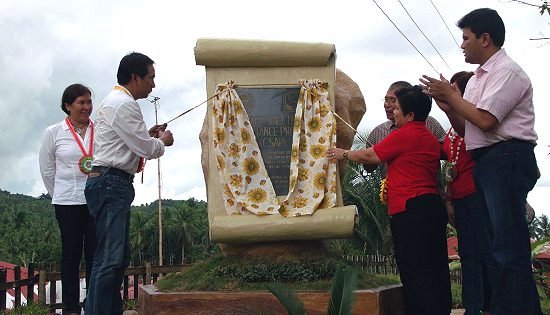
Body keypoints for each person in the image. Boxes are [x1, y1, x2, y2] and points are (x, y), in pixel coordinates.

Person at [421, 8, 542, 314]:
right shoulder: (476, 80)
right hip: (488, 162)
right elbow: (467, 128)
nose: (462, 45)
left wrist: (452, 93)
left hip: (507, 157)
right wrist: (449, 106)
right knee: (497, 246)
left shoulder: (507, 73)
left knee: (506, 246)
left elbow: (486, 120)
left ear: (485, 39)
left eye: (466, 38)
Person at [328, 85, 451, 314]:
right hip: (432, 206)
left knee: (413, 266)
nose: (393, 111)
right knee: (435, 264)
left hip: (411, 208)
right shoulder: (428, 135)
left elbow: (370, 155)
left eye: (398, 107)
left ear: (410, 115)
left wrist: (342, 153)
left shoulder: (405, 134)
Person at [84, 52, 174, 315]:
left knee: (115, 259)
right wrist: (162, 141)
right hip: (112, 183)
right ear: (135, 77)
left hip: (108, 182)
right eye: (150, 78)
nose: (153, 85)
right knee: (110, 259)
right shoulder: (125, 104)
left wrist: (146, 135)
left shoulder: (115, 102)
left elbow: (125, 142)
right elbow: (145, 149)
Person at [441, 71, 497, 315]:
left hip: (479, 195)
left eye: (454, 89)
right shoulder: (452, 130)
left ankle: (495, 305)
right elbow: (449, 162)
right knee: (468, 254)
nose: (449, 93)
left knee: (487, 252)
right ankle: (472, 307)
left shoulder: (472, 121)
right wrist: (449, 199)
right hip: (459, 197)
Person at [39, 84, 97, 315]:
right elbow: (47, 169)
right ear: (67, 106)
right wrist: (61, 195)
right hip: (67, 203)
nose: (86, 107)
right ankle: (70, 308)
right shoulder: (53, 132)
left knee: (95, 253)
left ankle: (93, 304)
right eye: (81, 102)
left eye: (89, 102)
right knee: (71, 254)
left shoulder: (100, 129)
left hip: (95, 200)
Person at [364, 81, 446, 175]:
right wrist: (379, 153)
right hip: (392, 189)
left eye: (393, 100)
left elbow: (448, 153)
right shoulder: (377, 132)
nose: (387, 105)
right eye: (386, 100)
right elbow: (368, 167)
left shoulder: (430, 123)